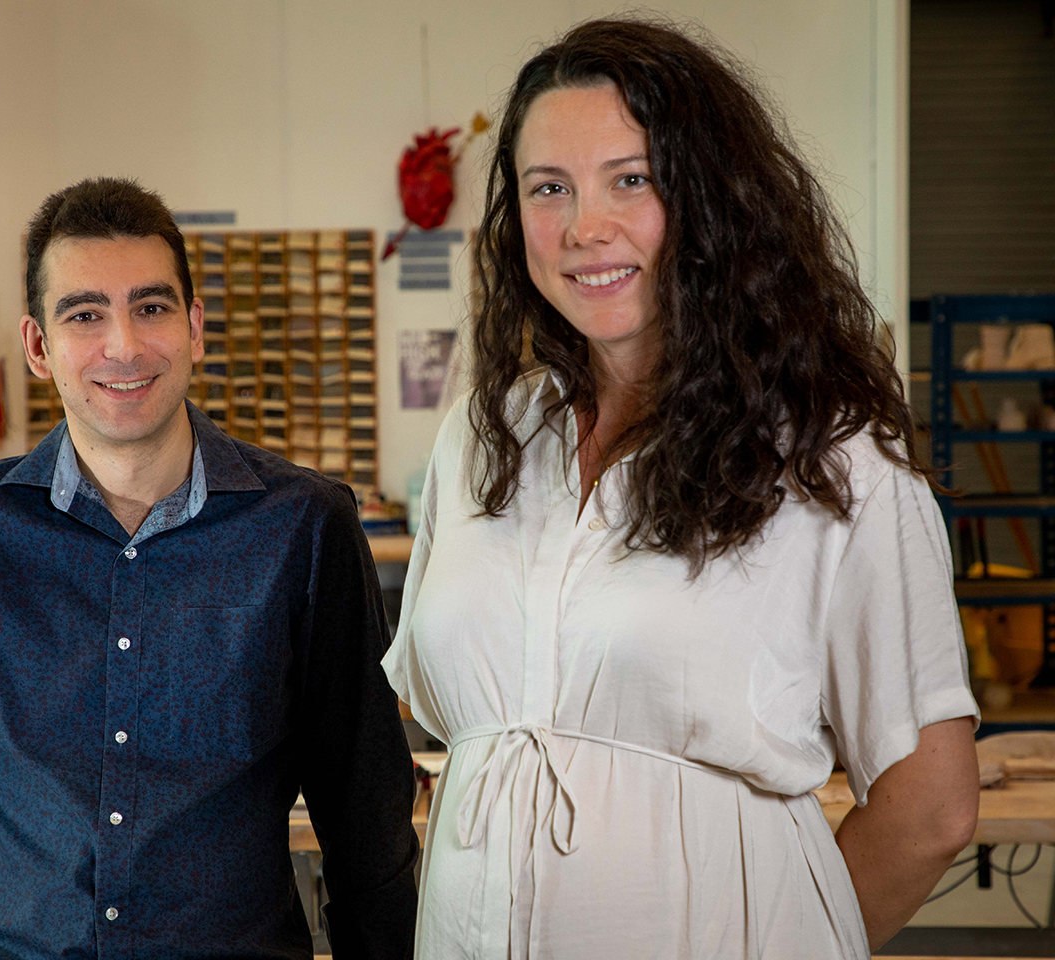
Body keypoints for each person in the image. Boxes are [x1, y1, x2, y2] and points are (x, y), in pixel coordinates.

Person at [382, 17, 979, 960]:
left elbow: (932, 805)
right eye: (550, 189)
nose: (585, 227)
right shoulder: (485, 436)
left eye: (632, 178)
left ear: (711, 200)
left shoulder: (829, 458)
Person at [0, 177, 418, 959]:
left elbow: (365, 811)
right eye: (85, 314)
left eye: (153, 307)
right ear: (38, 346)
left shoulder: (304, 528)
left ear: (195, 328)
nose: (125, 345)